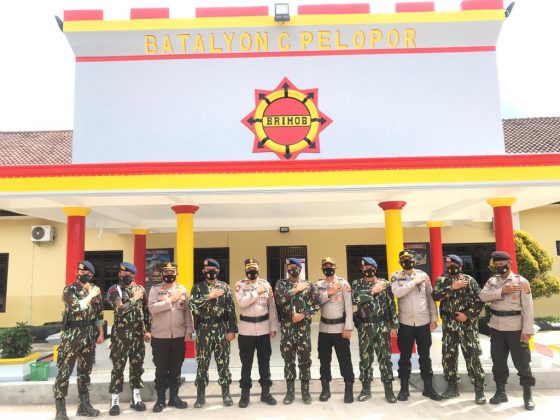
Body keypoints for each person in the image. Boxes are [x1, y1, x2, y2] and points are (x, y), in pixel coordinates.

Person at [480, 250, 535, 410]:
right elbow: (482, 296)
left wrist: (527, 331)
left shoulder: (521, 282)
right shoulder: (492, 281)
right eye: (496, 264)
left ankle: (527, 396)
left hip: (515, 328)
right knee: (498, 362)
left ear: (509, 263)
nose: (499, 266)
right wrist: (502, 291)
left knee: (522, 363)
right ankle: (501, 392)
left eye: (502, 263)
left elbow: (528, 308)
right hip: (497, 328)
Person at [54, 260, 104, 420]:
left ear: (91, 275)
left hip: (89, 336)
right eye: (81, 272)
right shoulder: (69, 289)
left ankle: (84, 406)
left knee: (85, 372)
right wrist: (91, 295)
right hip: (72, 336)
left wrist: (101, 333)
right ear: (77, 273)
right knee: (64, 371)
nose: (83, 275)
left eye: (87, 273)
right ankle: (60, 410)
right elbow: (76, 307)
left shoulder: (96, 290)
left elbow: (99, 314)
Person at [432, 254, 486, 404]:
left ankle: (479, 389)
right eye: (447, 264)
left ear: (460, 266)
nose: (450, 266)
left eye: (453, 264)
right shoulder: (442, 280)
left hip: (467, 326)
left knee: (472, 356)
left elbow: (480, 301)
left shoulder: (469, 280)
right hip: (449, 325)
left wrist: (467, 315)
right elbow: (435, 296)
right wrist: (452, 287)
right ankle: (452, 387)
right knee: (448, 356)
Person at [391, 249, 442, 401]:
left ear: (414, 260)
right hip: (405, 323)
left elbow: (430, 298)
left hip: (423, 322)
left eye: (410, 259)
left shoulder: (423, 275)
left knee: (425, 356)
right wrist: (413, 282)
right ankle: (404, 389)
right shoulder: (396, 276)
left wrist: (434, 318)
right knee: (404, 357)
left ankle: (428, 388)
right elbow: (397, 293)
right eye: (404, 259)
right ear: (400, 262)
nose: (407, 261)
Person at [190, 258, 238, 408]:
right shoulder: (197, 288)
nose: (210, 272)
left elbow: (231, 309)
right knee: (202, 362)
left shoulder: (225, 287)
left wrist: (232, 330)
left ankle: (226, 394)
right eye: (207, 270)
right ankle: (200, 396)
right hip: (204, 329)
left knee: (223, 361)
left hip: (221, 328)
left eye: (213, 270)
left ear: (218, 271)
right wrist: (209, 296)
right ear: (203, 271)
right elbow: (191, 304)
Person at [107, 262, 152, 416]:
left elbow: (146, 311)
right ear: (119, 274)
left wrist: (148, 330)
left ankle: (136, 398)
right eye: (123, 273)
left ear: (133, 275)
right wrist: (134, 299)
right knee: (118, 368)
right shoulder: (114, 290)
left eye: (129, 274)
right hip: (120, 337)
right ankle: (114, 400)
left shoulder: (140, 289)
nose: (126, 276)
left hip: (138, 336)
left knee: (137, 367)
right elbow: (119, 309)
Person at [148, 262, 193, 413]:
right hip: (160, 336)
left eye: (172, 272)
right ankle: (160, 399)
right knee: (161, 369)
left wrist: (189, 330)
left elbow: (187, 311)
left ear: (176, 274)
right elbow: (152, 308)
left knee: (176, 368)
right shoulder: (155, 290)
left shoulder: (182, 290)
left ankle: (174, 397)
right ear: (162, 274)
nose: (169, 275)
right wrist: (170, 300)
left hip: (178, 336)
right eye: (166, 272)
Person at [352, 257, 398, 403]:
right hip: (365, 327)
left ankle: (389, 390)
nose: (368, 270)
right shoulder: (357, 284)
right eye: (365, 267)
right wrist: (373, 291)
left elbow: (391, 305)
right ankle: (366, 389)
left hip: (382, 326)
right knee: (365, 358)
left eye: (370, 267)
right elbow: (355, 299)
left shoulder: (385, 284)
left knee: (385, 358)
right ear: (362, 269)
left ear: (375, 268)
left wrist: (394, 326)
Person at [275, 257, 320, 405]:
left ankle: (305, 392)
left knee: (305, 359)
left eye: (295, 267)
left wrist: (304, 314)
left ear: (300, 269)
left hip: (303, 328)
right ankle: (290, 392)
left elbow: (316, 303)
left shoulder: (309, 285)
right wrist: (295, 290)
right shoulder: (281, 283)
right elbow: (279, 300)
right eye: (289, 267)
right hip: (287, 328)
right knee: (288, 360)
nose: (292, 270)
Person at [235, 258, 279, 408]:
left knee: (264, 363)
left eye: (254, 268)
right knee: (246, 363)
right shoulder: (240, 285)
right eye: (249, 269)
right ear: (245, 270)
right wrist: (255, 292)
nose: (251, 271)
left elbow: (271, 307)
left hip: (263, 329)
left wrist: (273, 326)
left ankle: (265, 393)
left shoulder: (266, 285)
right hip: (246, 330)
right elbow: (241, 302)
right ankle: (245, 395)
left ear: (258, 270)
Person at [315, 257, 355, 403]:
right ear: (322, 268)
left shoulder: (343, 284)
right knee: (324, 360)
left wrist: (348, 327)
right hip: (324, 329)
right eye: (325, 266)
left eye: (331, 265)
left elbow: (349, 307)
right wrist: (329, 292)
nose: (328, 268)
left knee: (345, 360)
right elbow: (315, 302)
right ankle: (325, 389)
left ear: (335, 267)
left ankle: (349, 389)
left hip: (340, 329)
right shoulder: (318, 285)